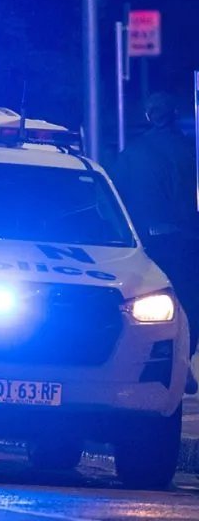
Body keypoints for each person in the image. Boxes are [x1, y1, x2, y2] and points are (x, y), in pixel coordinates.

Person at [113, 92, 199, 387]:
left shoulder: (132, 155)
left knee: (150, 306)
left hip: (147, 247)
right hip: (188, 243)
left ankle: (160, 366)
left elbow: (115, 202)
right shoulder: (191, 151)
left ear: (148, 115)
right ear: (174, 114)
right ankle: (184, 362)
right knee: (189, 304)